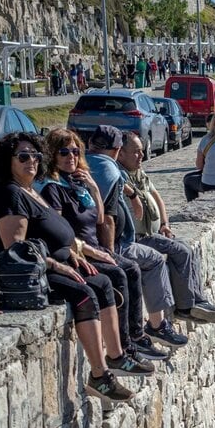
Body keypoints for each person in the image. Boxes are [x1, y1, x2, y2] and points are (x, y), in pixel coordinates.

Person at [0, 133, 138, 402]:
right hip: (21, 276)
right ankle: (99, 376)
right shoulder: (9, 194)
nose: (31, 161)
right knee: (84, 293)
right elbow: (15, 250)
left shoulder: (31, 191)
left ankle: (117, 356)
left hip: (50, 262)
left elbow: (55, 234)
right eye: (23, 156)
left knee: (102, 282)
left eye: (36, 156)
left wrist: (78, 251)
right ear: (8, 161)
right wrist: (58, 264)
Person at [40, 129, 166, 366]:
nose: (71, 157)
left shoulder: (76, 182)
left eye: (75, 152)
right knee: (117, 274)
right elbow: (56, 231)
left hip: (92, 247)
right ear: (52, 155)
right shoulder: (52, 187)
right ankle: (124, 348)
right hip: (76, 254)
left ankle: (135, 336)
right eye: (64, 152)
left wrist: (94, 188)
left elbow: (98, 218)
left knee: (131, 269)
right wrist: (88, 252)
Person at [86, 126, 188, 350]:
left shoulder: (91, 164)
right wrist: (110, 253)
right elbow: (108, 218)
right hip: (113, 245)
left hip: (99, 244)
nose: (141, 156)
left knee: (176, 251)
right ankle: (152, 327)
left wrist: (133, 195)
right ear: (116, 150)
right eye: (134, 151)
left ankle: (148, 328)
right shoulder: (108, 170)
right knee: (151, 261)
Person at [118, 131, 215, 324]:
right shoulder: (120, 176)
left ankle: (197, 301)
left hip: (151, 232)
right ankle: (186, 307)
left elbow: (157, 197)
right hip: (137, 237)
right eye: (136, 152)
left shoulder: (138, 173)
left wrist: (165, 224)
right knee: (180, 250)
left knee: (185, 248)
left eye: (142, 151)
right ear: (120, 154)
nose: (141, 156)